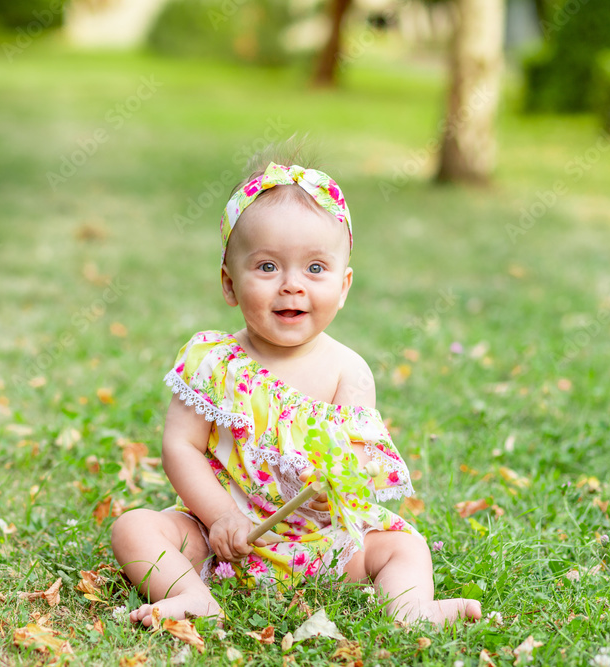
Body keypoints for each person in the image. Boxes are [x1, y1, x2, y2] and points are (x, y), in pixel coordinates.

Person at [111, 156, 482, 627]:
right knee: (135, 528)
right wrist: (222, 516)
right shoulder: (211, 362)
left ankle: (411, 609)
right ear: (230, 283)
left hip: (321, 545)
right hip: (223, 541)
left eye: (315, 268)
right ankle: (192, 594)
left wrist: (349, 478)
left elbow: (358, 460)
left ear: (343, 286)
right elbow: (179, 445)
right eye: (267, 266)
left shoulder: (348, 371)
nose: (291, 286)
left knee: (403, 547)